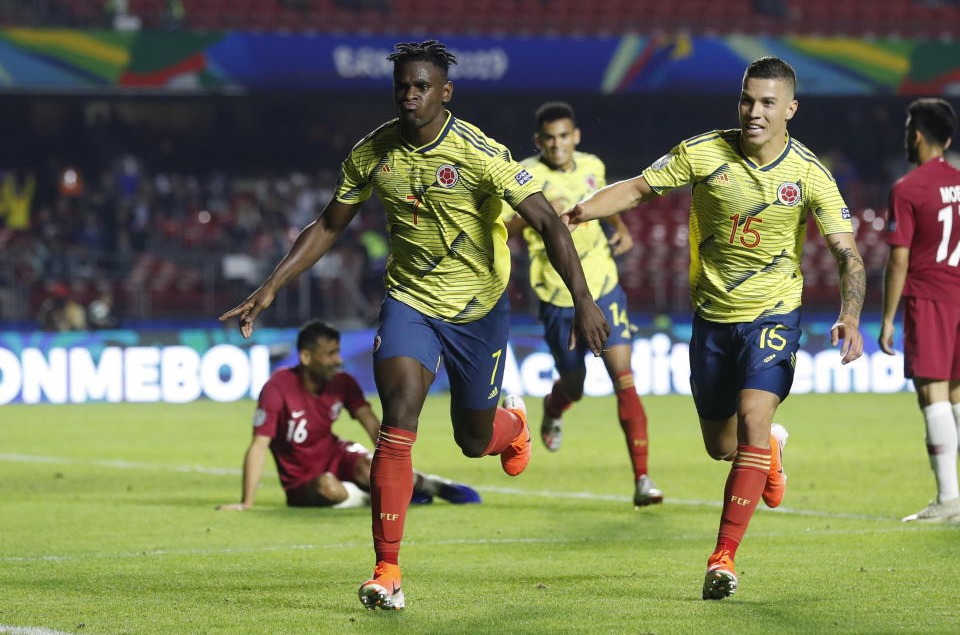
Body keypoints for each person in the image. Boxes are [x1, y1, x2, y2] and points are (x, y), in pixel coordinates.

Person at [219, 40, 609, 611]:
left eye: (422, 86)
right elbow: (329, 223)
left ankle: (514, 425)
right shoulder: (372, 152)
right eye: (402, 86)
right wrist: (270, 286)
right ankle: (387, 569)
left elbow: (547, 219)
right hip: (409, 303)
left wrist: (584, 298)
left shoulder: (478, 151)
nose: (410, 95)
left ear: (444, 92)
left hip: (479, 309)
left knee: (474, 439)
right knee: (398, 419)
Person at [564, 56, 865, 600]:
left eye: (768, 102)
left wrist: (850, 313)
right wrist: (580, 212)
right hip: (712, 318)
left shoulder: (809, 174)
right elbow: (636, 189)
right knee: (721, 444)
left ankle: (722, 558)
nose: (754, 111)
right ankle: (768, 451)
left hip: (773, 314)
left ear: (790, 109)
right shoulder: (703, 152)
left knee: (752, 418)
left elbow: (847, 254)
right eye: (748, 99)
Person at [502, 101, 662, 506]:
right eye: (549, 139)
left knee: (623, 378)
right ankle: (555, 409)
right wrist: (539, 216)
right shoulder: (524, 174)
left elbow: (607, 202)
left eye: (564, 136)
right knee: (574, 384)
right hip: (558, 295)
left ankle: (643, 479)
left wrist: (621, 227)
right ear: (539, 141)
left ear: (576, 136)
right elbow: (503, 225)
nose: (557, 145)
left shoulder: (593, 165)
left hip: (603, 285)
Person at [216, 320, 482, 511]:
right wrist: (246, 502)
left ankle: (433, 485)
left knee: (370, 465)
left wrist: (393, 465)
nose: (338, 360)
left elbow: (370, 423)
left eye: (338, 351)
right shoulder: (277, 387)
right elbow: (259, 445)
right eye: (330, 354)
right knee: (328, 488)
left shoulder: (342, 383)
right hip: (303, 480)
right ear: (306, 357)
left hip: (338, 455)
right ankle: (371, 499)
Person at [879, 98, 960, 523]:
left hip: (929, 298)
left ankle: (949, 500)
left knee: (933, 395)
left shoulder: (907, 188)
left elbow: (898, 259)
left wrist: (888, 318)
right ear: (946, 139)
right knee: (958, 395)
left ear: (915, 135)